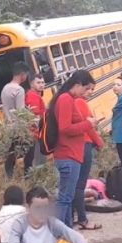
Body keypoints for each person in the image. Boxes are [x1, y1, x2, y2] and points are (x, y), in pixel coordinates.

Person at [48, 70, 98, 227]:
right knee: (65, 198)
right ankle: (60, 233)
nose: (86, 92)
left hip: (71, 155)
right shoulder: (66, 99)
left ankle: (67, 232)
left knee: (67, 198)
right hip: (68, 155)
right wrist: (87, 124)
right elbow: (65, 128)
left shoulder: (67, 98)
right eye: (86, 88)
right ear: (77, 85)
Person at [73, 83, 104, 231]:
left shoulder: (70, 101)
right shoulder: (80, 102)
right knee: (80, 185)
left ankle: (74, 217)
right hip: (85, 144)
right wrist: (99, 142)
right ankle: (82, 219)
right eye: (88, 89)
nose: (90, 92)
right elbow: (89, 127)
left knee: (75, 184)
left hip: (75, 146)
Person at [2, 62, 31, 177]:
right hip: (19, 127)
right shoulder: (19, 90)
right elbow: (21, 111)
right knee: (31, 151)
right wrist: (26, 128)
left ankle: (8, 175)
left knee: (12, 152)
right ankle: (28, 175)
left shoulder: (5, 88)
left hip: (9, 126)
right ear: (22, 75)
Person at [25, 73, 47, 167]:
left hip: (36, 132)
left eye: (42, 82)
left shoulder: (33, 95)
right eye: (38, 82)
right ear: (31, 84)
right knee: (39, 160)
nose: (41, 85)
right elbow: (35, 117)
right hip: (37, 133)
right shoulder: (33, 96)